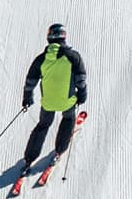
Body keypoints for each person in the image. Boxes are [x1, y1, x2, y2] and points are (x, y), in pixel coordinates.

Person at [18, 23, 88, 178]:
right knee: (68, 119)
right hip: (67, 101)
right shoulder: (73, 57)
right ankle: (59, 150)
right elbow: (81, 80)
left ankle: (29, 159)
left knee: (43, 125)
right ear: (64, 36)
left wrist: (27, 98)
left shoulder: (41, 59)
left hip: (48, 103)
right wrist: (82, 95)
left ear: (49, 37)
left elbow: (30, 81)